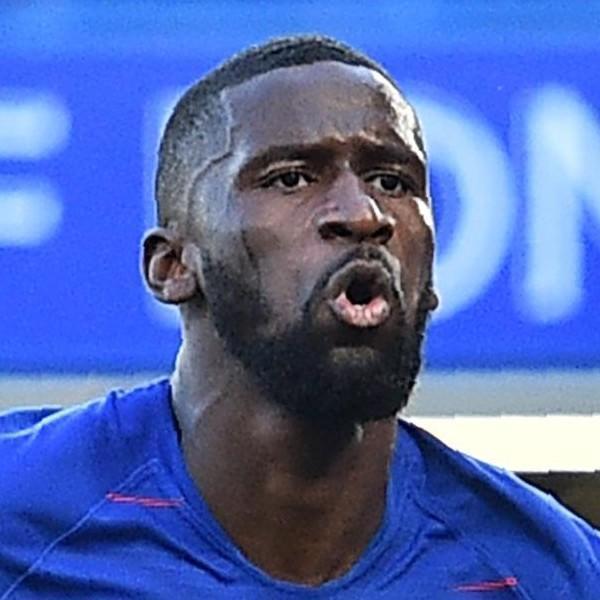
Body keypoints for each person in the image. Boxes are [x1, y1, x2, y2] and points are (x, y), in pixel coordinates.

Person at [0, 35, 598, 599]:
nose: (364, 215)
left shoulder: (548, 572)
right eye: (291, 178)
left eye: (392, 181)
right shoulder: (22, 520)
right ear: (174, 266)